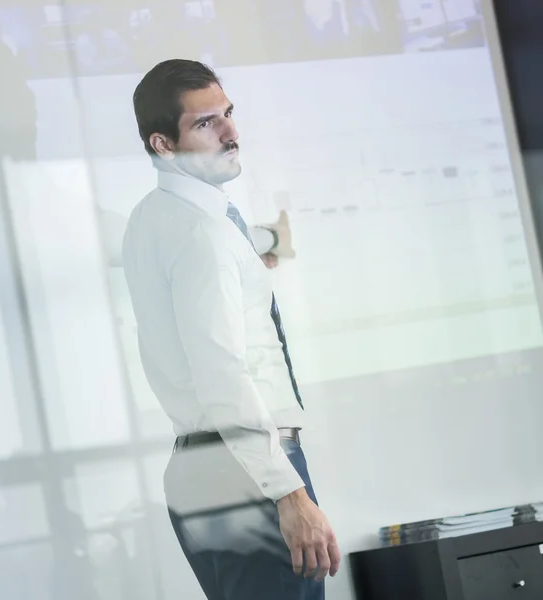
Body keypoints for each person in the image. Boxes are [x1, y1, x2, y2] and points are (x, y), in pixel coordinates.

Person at [123, 59, 341, 600]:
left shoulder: (153, 218)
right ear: (163, 143)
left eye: (228, 114)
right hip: (247, 468)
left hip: (197, 468)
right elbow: (223, 373)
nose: (230, 132)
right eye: (205, 123)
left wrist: (256, 250)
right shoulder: (205, 237)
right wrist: (287, 492)